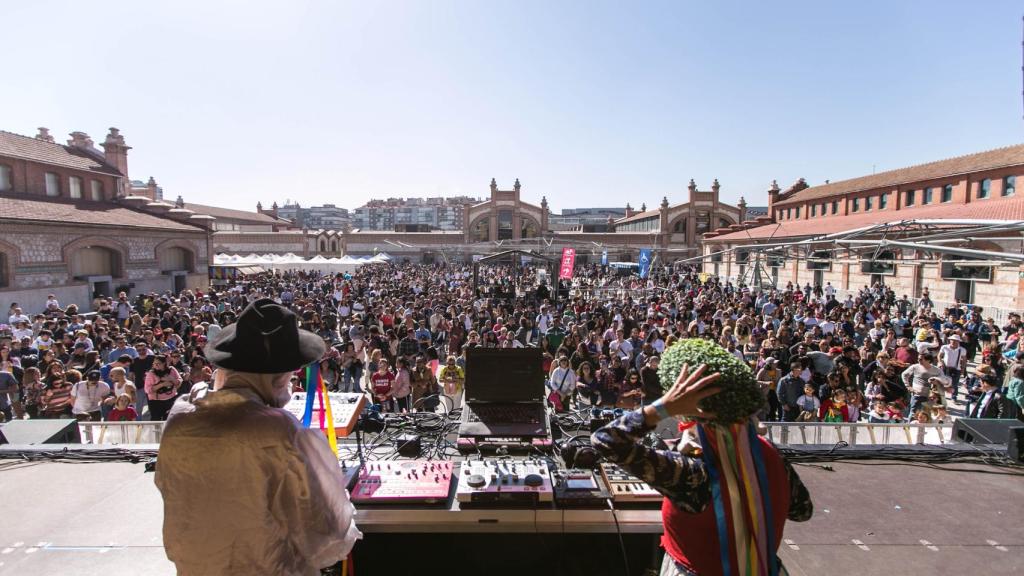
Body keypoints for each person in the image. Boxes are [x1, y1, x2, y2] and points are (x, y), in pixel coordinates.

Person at [155, 298, 360, 575]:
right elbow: (329, 539)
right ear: (276, 375)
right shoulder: (281, 433)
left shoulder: (179, 418)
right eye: (290, 372)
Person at [592, 363, 813, 576]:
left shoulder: (694, 474)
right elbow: (802, 511)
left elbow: (606, 441)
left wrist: (663, 407)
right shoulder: (773, 456)